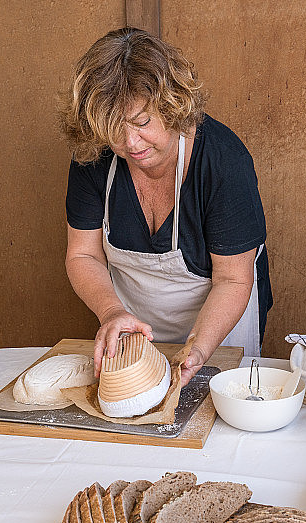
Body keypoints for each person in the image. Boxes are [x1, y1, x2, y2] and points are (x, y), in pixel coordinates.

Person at [61, 27, 272, 385]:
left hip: (220, 330)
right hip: (135, 335)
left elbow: (233, 278)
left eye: (142, 123)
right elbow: (84, 256)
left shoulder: (222, 161)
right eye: (114, 129)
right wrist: (112, 312)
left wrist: (199, 349)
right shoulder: (94, 158)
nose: (130, 143)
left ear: (173, 105)